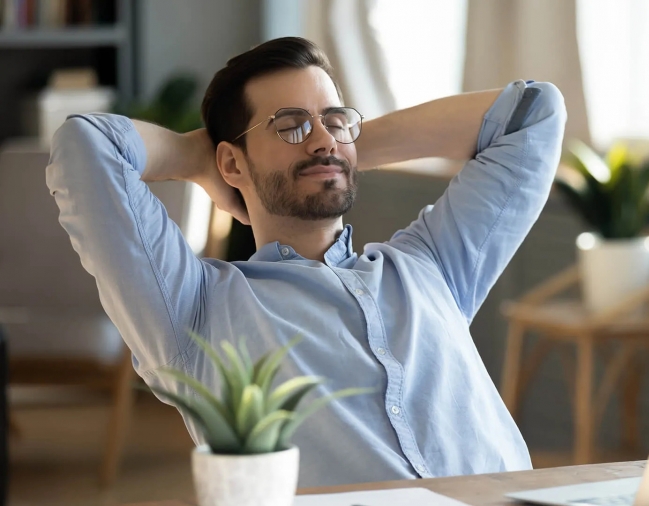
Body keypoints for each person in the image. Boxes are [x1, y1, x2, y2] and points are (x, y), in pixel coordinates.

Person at [47, 37, 566, 487]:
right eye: (290, 125)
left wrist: (337, 151)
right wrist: (200, 160)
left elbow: (534, 113)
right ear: (231, 160)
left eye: (337, 121)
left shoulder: (431, 264)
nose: (321, 138)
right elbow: (85, 146)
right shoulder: (194, 309)